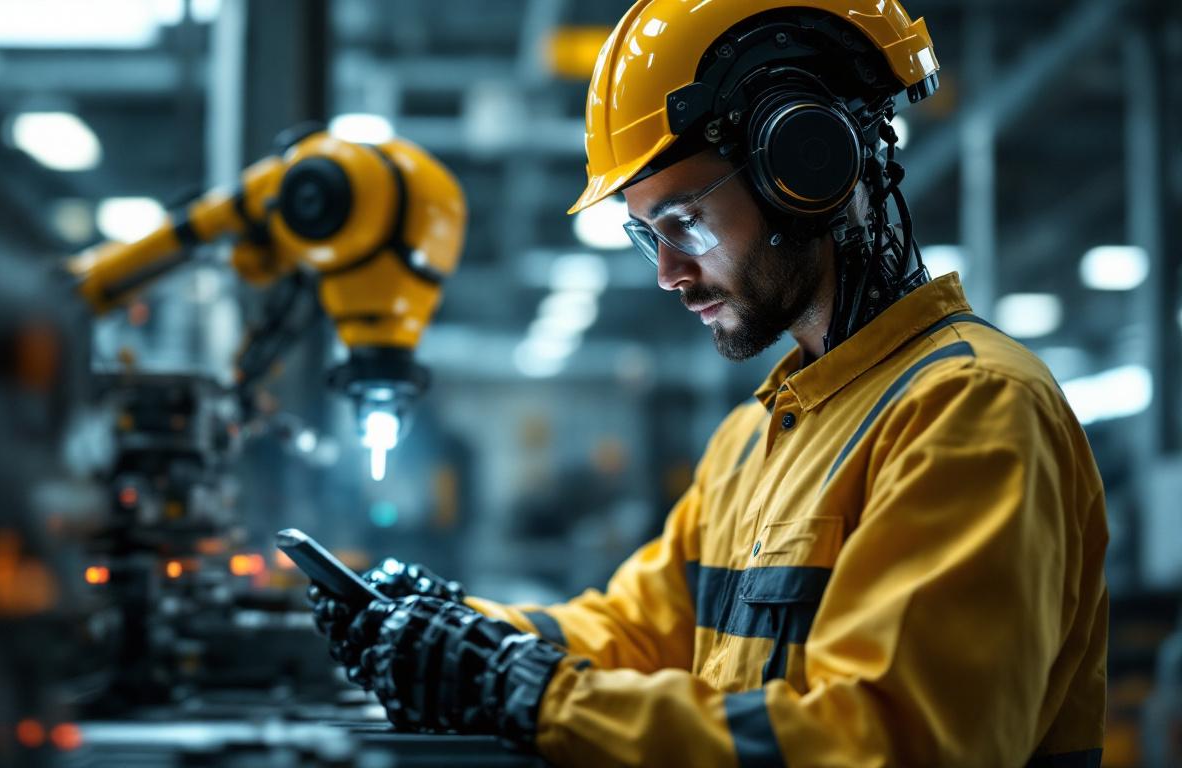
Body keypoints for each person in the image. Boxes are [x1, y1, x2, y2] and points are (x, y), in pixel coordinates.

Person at [309, 1, 1109, 765]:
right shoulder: (756, 438)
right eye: (644, 235)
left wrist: (534, 695)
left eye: (683, 223)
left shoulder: (971, 412)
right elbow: (635, 632)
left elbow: (886, 744)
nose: (666, 274)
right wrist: (450, 629)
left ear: (806, 166)